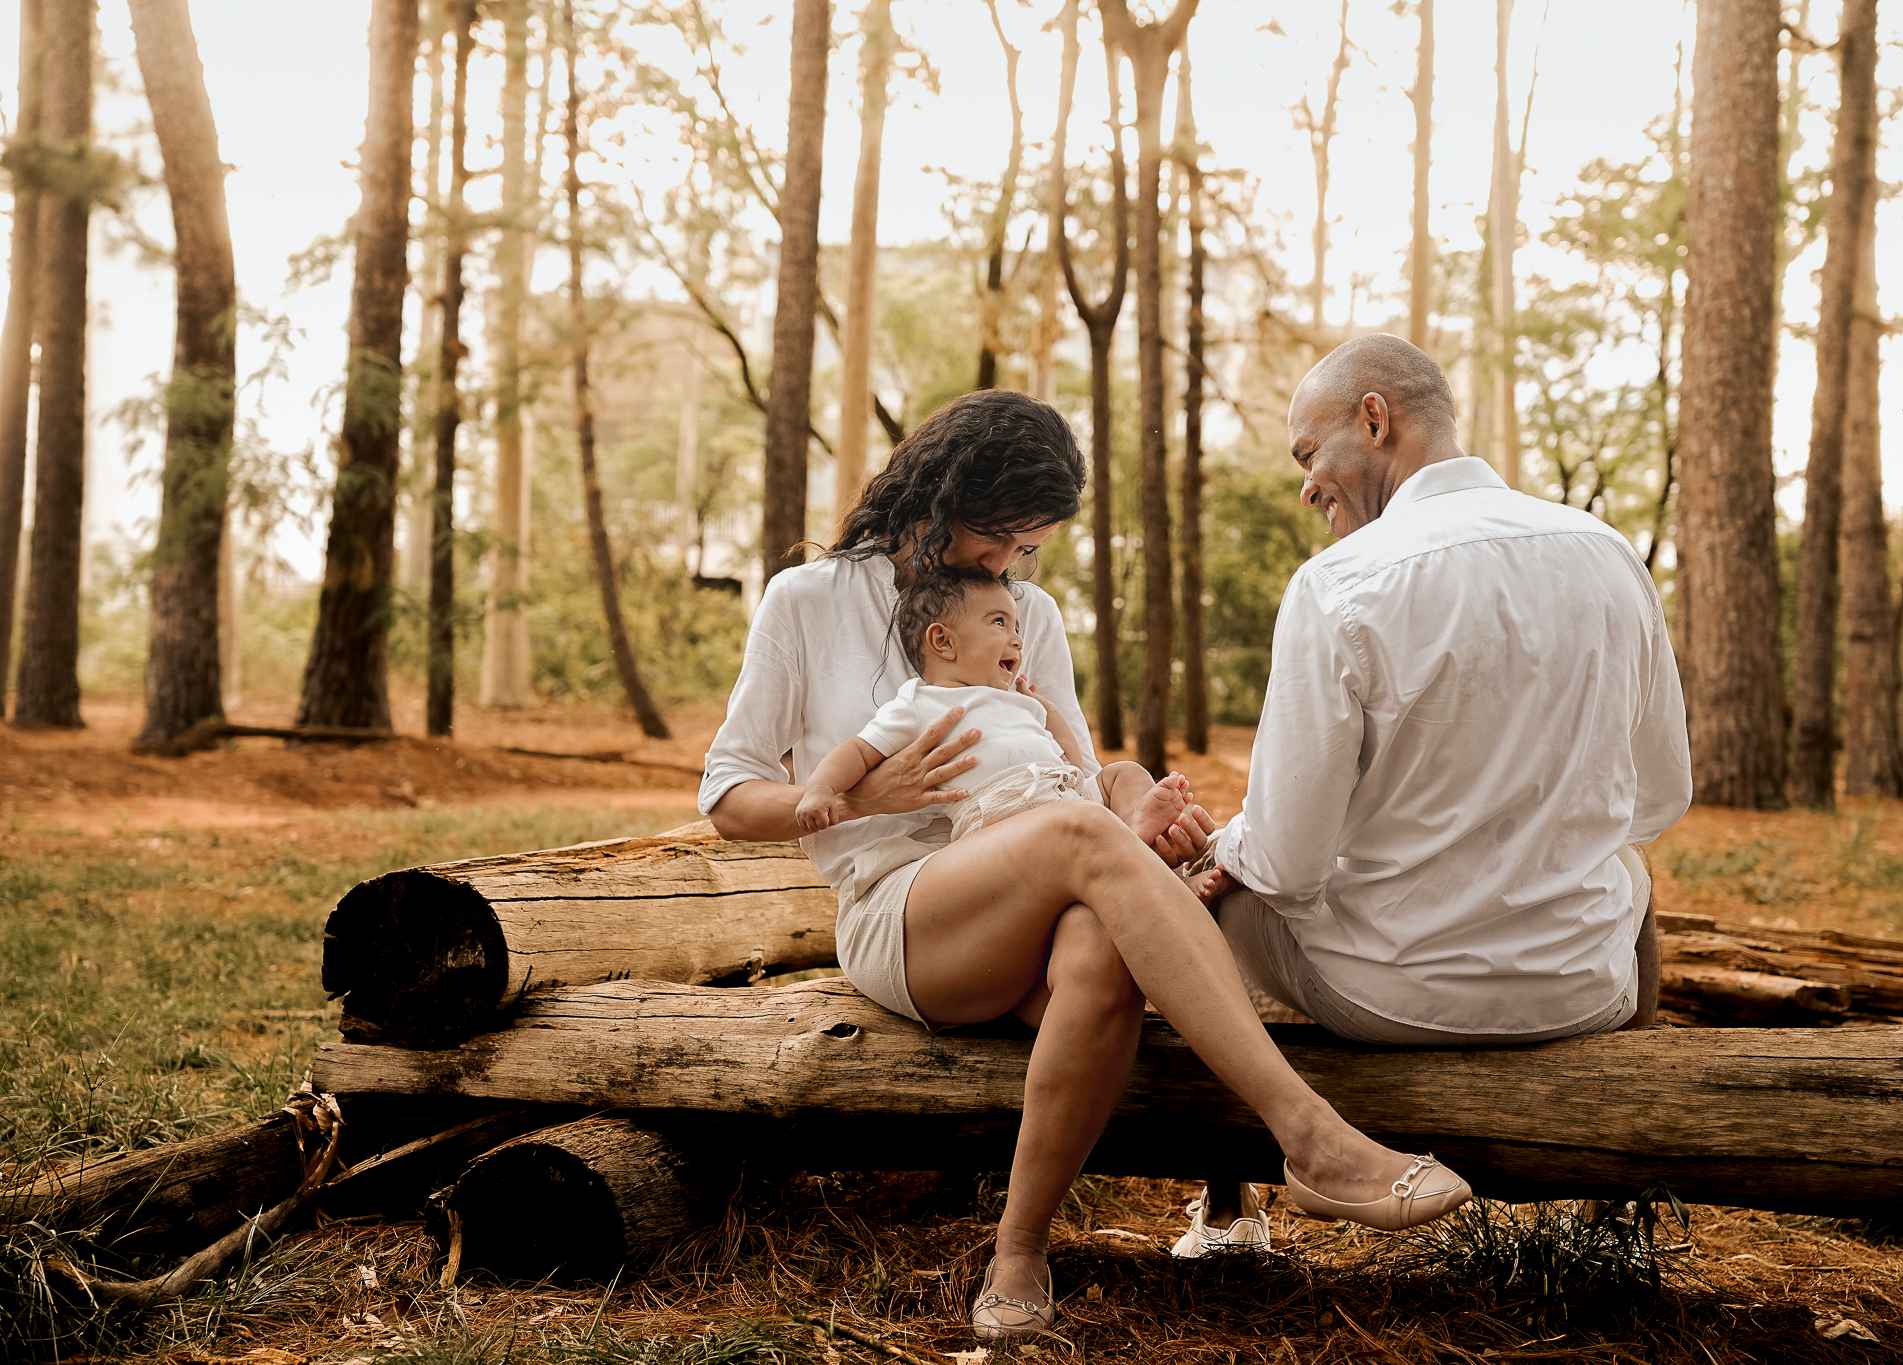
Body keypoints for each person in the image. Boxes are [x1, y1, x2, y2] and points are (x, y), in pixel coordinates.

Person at [699, 390, 1471, 1344]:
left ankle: (1019, 1247)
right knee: (1079, 843)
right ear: (942, 493)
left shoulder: (1026, 612)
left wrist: (1135, 798)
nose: (1008, 565)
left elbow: (1071, 772)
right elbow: (728, 796)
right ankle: (1307, 1134)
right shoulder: (808, 600)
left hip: (1040, 876)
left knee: (1102, 936)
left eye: (1027, 547)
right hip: (904, 915)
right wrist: (865, 795)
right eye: (998, 536)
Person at [1172, 334, 1692, 1256]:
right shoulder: (1609, 554)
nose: (1306, 487)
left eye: (1309, 455)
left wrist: (1221, 851)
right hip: (1584, 989)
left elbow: (1286, 861)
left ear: (1375, 419)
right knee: (1633, 868)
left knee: (1210, 888)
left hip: (1395, 996)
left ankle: (1228, 1216)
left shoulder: (1338, 585)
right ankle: (1618, 1209)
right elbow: (1657, 799)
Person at [793, 566, 1192, 845]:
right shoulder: (920, 703)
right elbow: (858, 751)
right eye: (999, 623)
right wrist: (821, 789)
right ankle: (1131, 845)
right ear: (943, 641)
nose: (1017, 638)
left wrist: (1047, 712)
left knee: (1124, 773)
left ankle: (1138, 838)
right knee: (1085, 837)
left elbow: (1073, 761)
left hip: (1064, 795)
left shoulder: (1018, 701)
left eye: (1016, 627)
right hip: (1000, 817)